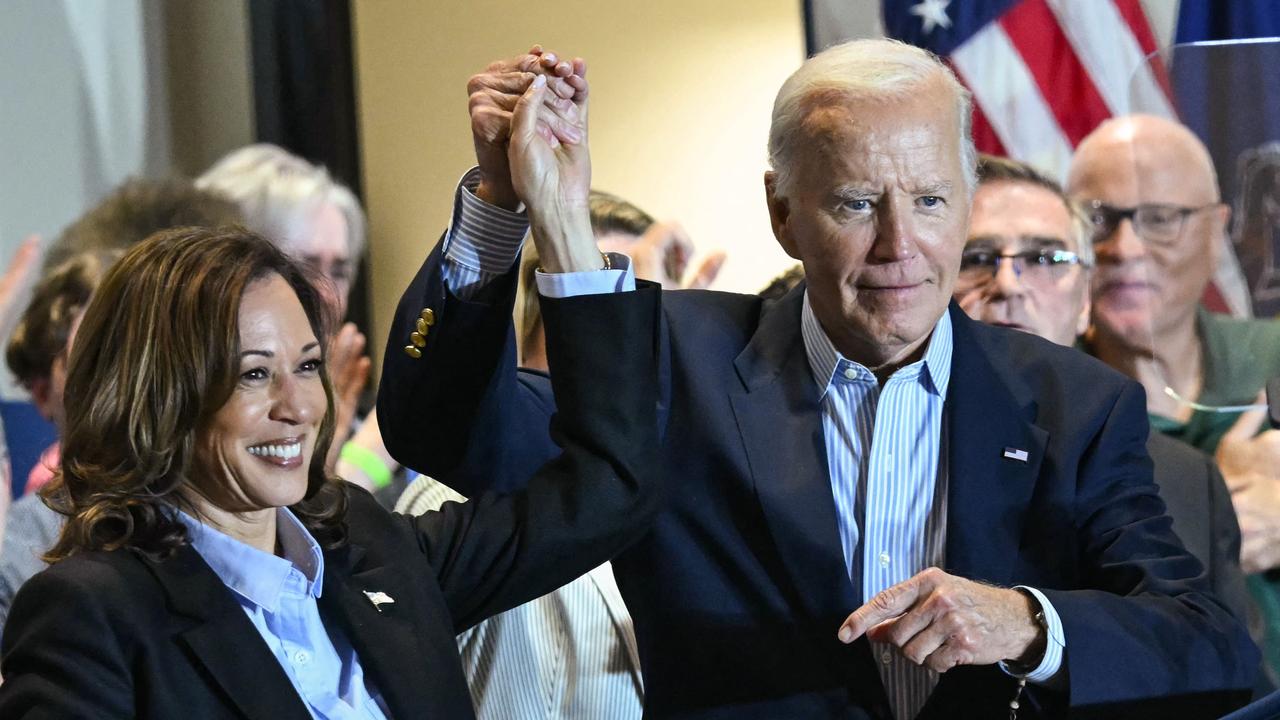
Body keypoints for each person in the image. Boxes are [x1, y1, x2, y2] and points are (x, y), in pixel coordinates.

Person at [377, 42, 1257, 718]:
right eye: (855, 204)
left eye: (931, 201)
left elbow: (1210, 644)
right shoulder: (674, 360)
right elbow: (458, 436)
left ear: (967, 193)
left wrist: (1028, 624)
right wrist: (501, 208)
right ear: (781, 211)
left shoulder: (1077, 404)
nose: (900, 247)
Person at [0, 224, 659, 715]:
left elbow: (605, 494)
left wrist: (558, 217)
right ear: (159, 396)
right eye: (254, 374)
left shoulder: (370, 546)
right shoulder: (90, 614)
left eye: (309, 366)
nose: (299, 406)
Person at [955, 153, 1253, 644]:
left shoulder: (1186, 479)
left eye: (1045, 259)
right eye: (976, 258)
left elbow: (1218, 669)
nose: (1008, 283)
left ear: (1085, 303)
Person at [1068, 115, 1280, 680]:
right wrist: (1218, 511)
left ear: (1216, 231)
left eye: (1160, 219)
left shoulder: (1273, 359)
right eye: (1097, 219)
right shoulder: (1047, 399)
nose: (1124, 247)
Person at [0, 180, 244, 632]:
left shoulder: (236, 510)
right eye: (101, 355)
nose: (136, 379)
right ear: (41, 389)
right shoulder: (22, 544)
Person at [197, 145, 377, 487]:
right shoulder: (191, 414)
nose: (325, 294)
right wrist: (359, 464)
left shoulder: (372, 423)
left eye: (339, 271)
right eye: (300, 269)